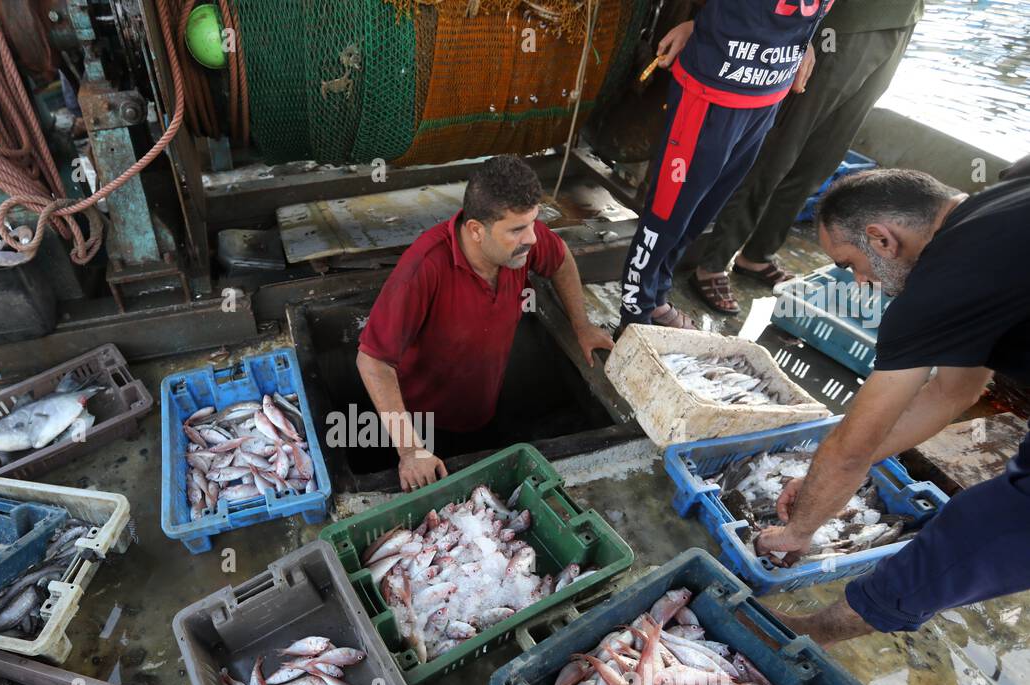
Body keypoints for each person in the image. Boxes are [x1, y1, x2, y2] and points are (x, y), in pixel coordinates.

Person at [754, 168, 1030, 645]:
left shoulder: (938, 287)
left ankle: (813, 633)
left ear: (881, 240)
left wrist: (798, 532)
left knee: (987, 526)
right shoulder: (1007, 191)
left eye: (851, 264)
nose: (861, 283)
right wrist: (827, 482)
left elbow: (849, 448)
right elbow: (953, 391)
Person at [356, 155, 613, 491]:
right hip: (422, 424)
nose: (533, 238)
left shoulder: (520, 247)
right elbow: (373, 360)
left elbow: (561, 258)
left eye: (533, 223)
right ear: (476, 230)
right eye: (518, 229)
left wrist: (582, 325)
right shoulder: (424, 268)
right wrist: (410, 450)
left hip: (483, 412)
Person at [691, 0, 925, 314]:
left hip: (902, 18)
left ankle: (757, 254)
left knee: (822, 157)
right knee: (780, 149)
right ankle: (713, 260)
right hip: (844, 23)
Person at [618, 0, 833, 330]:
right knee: (668, 212)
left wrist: (807, 42)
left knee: (702, 211)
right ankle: (634, 313)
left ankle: (656, 297)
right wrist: (696, 23)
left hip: (768, 94)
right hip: (710, 92)